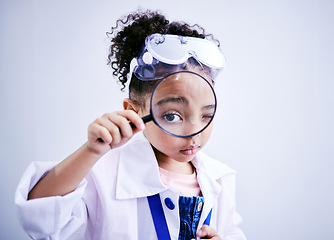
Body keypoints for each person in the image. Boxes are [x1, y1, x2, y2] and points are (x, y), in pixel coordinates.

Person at [15, 9, 246, 240]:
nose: (194, 134)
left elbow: (232, 231)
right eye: (173, 116)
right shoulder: (102, 176)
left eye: (207, 115)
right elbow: (39, 218)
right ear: (133, 112)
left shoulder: (220, 178)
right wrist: (90, 151)